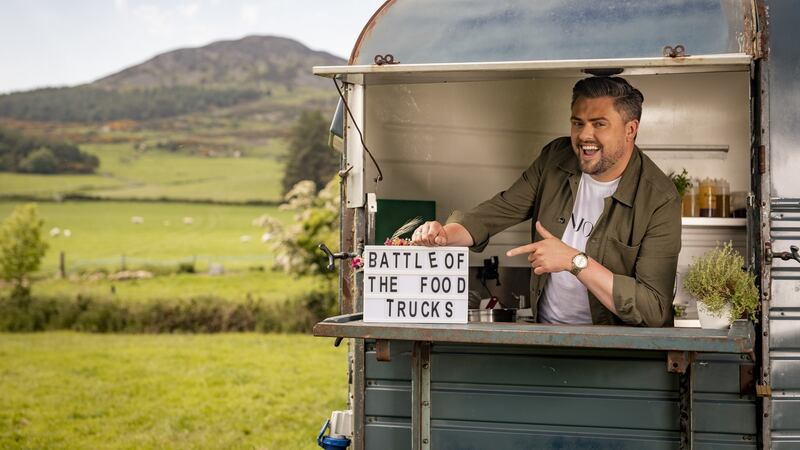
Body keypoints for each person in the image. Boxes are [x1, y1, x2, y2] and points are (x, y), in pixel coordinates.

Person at [411, 76, 681, 326]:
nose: (584, 136)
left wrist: (575, 261)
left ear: (630, 129)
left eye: (599, 124)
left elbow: (653, 310)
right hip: (549, 337)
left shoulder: (660, 198)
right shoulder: (556, 158)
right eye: (578, 123)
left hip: (615, 350)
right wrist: (445, 235)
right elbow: (499, 210)